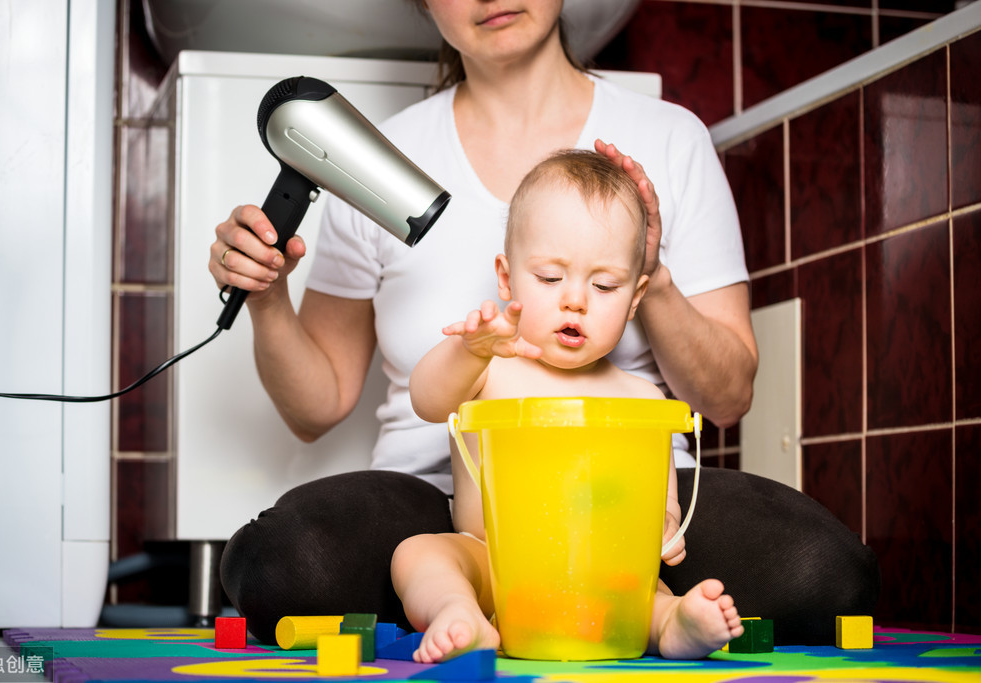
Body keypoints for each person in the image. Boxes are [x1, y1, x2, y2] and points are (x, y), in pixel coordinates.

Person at [211, 0, 878, 646]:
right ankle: (467, 604)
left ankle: (647, 613)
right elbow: (315, 405)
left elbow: (728, 398)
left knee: (827, 572)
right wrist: (265, 295)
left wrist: (655, 275)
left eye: (602, 284)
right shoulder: (377, 159)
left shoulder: (671, 139)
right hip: (448, 500)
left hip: (621, 502)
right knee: (282, 562)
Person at [393, 149, 744, 662]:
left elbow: (662, 503)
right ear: (508, 279)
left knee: (645, 587)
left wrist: (666, 530)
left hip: (601, 575)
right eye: (551, 278)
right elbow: (427, 401)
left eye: (604, 285)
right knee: (419, 554)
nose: (575, 299)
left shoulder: (643, 399)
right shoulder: (490, 370)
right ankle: (459, 611)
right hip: (494, 566)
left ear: (636, 296)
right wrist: (466, 351)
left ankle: (672, 623)